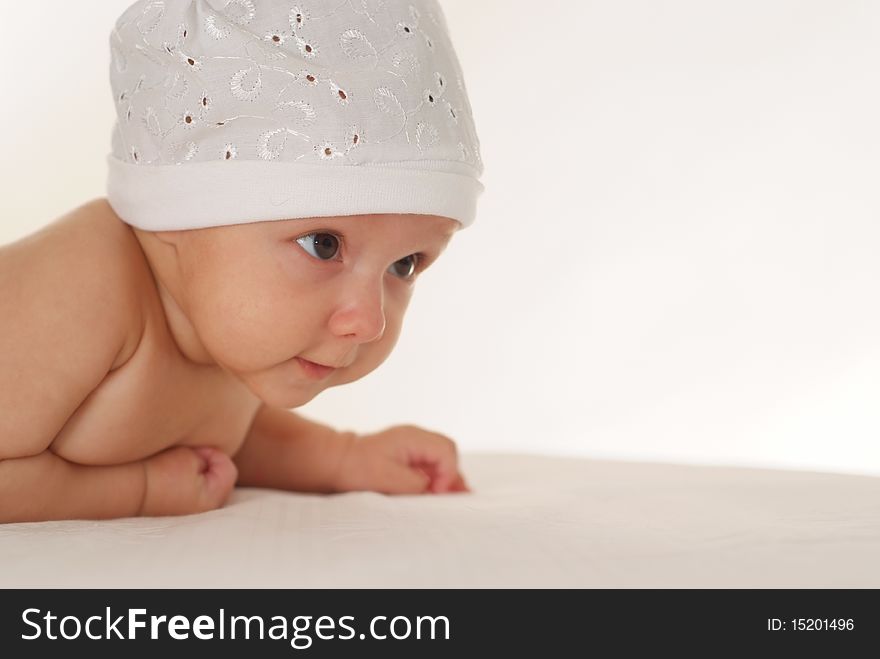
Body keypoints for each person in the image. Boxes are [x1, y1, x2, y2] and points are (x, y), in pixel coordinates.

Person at [0, 0, 484, 522]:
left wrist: (344, 458)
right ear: (181, 212)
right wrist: (139, 491)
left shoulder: (231, 329)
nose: (369, 322)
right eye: (324, 244)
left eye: (405, 264)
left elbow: (220, 432)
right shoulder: (82, 283)